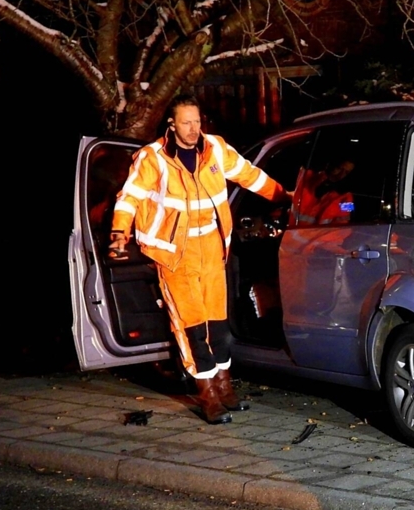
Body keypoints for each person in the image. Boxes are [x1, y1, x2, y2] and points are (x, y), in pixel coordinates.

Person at [108, 94, 291, 424]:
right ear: (172, 125)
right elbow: (130, 197)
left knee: (218, 326)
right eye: (186, 123)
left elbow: (249, 175)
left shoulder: (215, 150)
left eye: (197, 122)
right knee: (192, 329)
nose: (193, 129)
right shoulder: (154, 158)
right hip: (175, 255)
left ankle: (225, 386)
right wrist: (119, 232)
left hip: (212, 249)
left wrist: (284, 197)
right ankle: (207, 394)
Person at [289, 156, 356, 227]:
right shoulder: (306, 176)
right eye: (339, 168)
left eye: (346, 172)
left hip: (317, 238)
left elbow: (342, 226)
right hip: (290, 234)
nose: (341, 175)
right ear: (331, 164)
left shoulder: (347, 199)